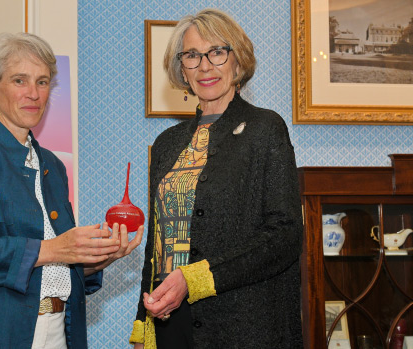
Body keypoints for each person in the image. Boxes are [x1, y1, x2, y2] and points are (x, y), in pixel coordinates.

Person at [0, 32, 143, 349]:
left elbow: (51, 271)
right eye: (20, 80)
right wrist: (56, 248)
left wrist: (95, 257)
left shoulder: (53, 165)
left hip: (59, 331)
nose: (34, 93)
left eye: (42, 82)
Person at [129, 9, 303, 349]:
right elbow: (158, 242)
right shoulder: (167, 144)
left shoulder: (265, 129)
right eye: (192, 55)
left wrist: (193, 280)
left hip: (243, 325)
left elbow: (285, 236)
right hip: (169, 322)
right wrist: (143, 327)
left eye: (217, 52)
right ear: (182, 67)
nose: (204, 66)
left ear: (237, 61)